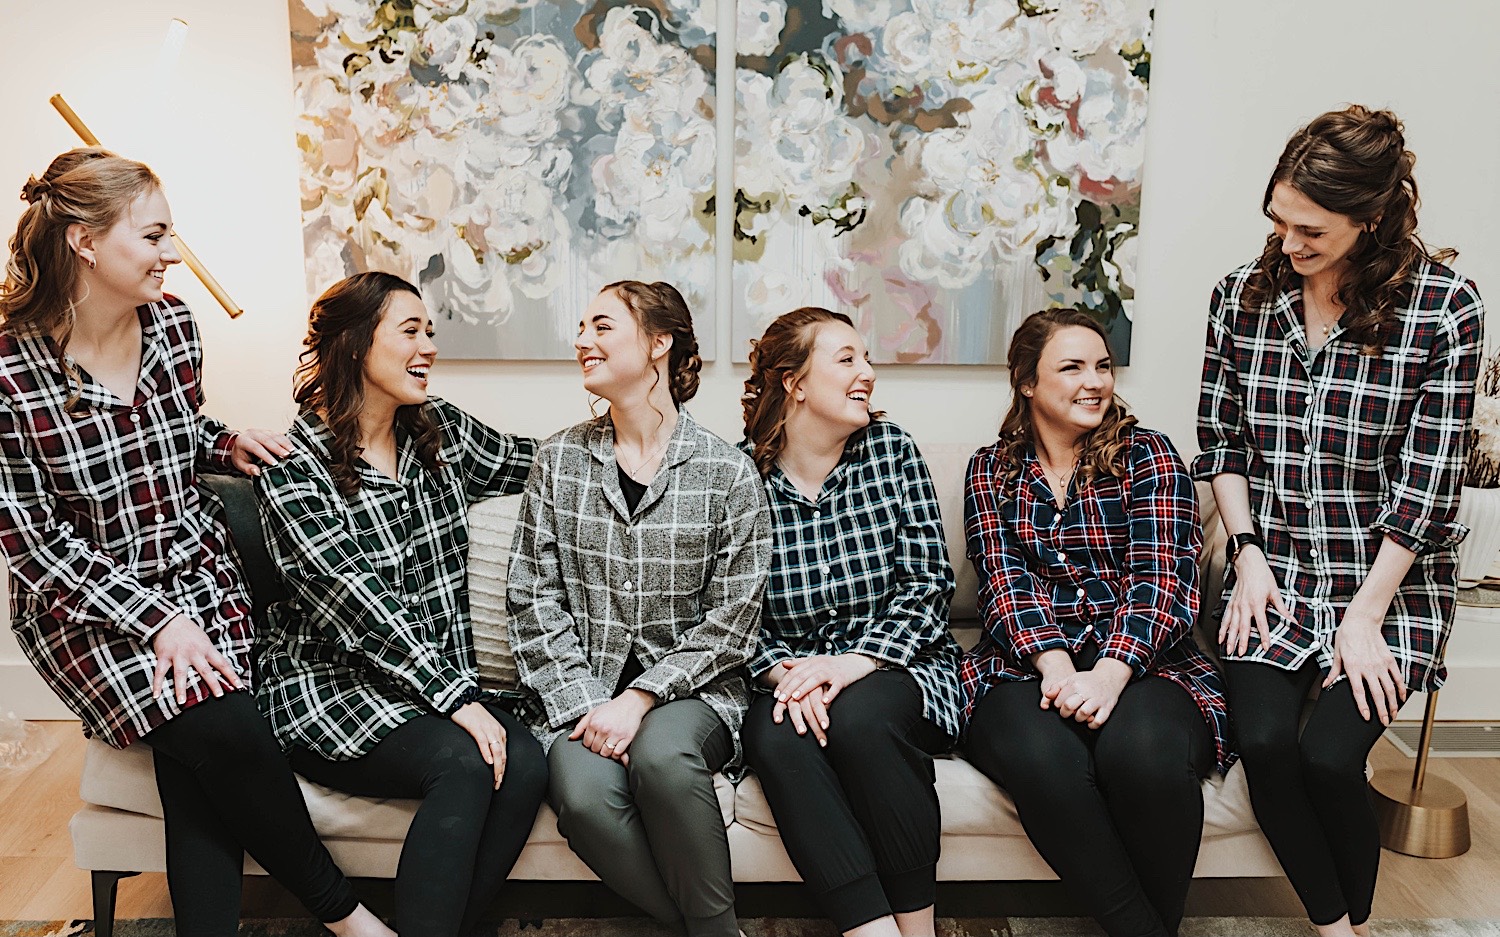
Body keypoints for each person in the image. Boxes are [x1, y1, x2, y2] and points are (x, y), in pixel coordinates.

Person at [0, 148, 391, 937]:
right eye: (153, 236)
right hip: (86, 610)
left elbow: (170, 438)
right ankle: (350, 919)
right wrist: (157, 623)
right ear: (85, 242)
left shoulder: (174, 326)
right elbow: (33, 547)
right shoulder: (7, 369)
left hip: (195, 572)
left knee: (195, 763)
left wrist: (225, 443)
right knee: (223, 725)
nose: (173, 254)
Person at [1195, 105, 1484, 937]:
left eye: (1311, 228)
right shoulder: (1241, 299)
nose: (1288, 244)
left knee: (1327, 756)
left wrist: (1365, 617)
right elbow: (1223, 443)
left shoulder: (1445, 308)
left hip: (1387, 584)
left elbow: (1430, 481)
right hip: (1275, 571)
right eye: (1279, 221)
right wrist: (1247, 554)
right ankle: (1338, 929)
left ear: (1375, 217)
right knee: (1268, 746)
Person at [254, 271, 548, 937]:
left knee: (527, 760)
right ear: (357, 343)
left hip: (426, 692)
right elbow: (360, 608)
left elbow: (541, 463)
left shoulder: (437, 433)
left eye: (431, 333)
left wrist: (657, 446)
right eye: (411, 331)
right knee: (467, 760)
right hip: (329, 688)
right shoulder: (294, 467)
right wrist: (460, 698)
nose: (429, 348)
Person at [507, 280, 771, 937]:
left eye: (601, 326)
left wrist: (643, 697)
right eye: (580, 327)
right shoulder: (559, 458)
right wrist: (589, 702)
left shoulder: (726, 471)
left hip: (697, 696)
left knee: (660, 755)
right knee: (584, 798)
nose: (580, 341)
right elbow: (532, 595)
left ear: (659, 343)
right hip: (582, 693)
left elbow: (735, 616)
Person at [961, 309, 1232, 937]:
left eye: (1103, 366)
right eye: (1072, 367)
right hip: (1024, 667)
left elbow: (1165, 577)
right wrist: (1056, 668)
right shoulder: (991, 469)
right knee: (1041, 759)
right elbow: (1002, 581)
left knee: (1145, 756)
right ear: (1026, 382)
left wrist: (1109, 673)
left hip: (1147, 663)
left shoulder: (1150, 456)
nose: (1096, 382)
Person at [738, 307, 961, 937]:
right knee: (779, 738)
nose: (867, 373)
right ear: (795, 382)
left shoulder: (892, 452)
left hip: (896, 663)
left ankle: (918, 930)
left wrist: (852, 664)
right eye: (847, 360)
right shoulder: (739, 477)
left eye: (867, 359)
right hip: (787, 675)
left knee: (861, 721)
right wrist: (785, 672)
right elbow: (728, 612)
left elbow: (928, 584)